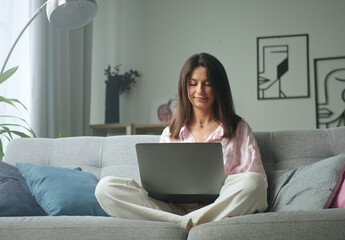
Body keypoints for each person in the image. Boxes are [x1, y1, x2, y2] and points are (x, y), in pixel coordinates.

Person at [95, 53, 268, 230]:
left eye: (207, 84)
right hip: (171, 209)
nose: (199, 90)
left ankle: (184, 223)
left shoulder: (238, 127)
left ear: (219, 88)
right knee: (105, 188)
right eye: (193, 84)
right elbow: (158, 183)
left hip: (220, 205)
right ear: (185, 87)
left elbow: (256, 179)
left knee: (254, 183)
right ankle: (191, 222)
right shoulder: (170, 132)